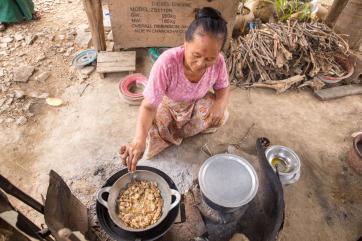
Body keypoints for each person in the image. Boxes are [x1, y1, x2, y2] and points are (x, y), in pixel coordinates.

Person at [120, 7, 230, 172]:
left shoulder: (219, 61)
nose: (201, 64)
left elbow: (223, 87)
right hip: (169, 105)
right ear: (185, 45)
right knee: (153, 128)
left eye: (210, 59)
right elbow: (149, 106)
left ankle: (176, 133)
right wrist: (138, 140)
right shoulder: (166, 63)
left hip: (195, 103)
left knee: (221, 116)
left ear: (218, 53)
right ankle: (175, 132)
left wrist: (220, 104)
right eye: (196, 55)